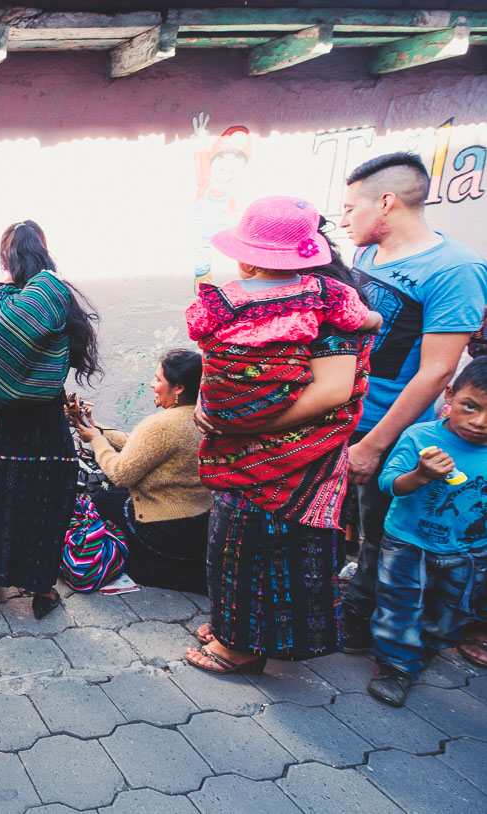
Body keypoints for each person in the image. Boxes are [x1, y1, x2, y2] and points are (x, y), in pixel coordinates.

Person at [186, 202, 373, 675]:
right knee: (233, 543)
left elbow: (332, 390)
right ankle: (234, 627)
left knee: (264, 548)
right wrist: (215, 406)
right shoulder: (281, 300)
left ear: (250, 259)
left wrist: (238, 422)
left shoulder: (329, 306)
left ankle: (244, 647)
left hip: (295, 459)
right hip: (249, 449)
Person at [338, 153, 487, 653]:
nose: (342, 220)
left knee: (383, 533)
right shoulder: (369, 255)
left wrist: (376, 444)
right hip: (344, 414)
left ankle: (366, 631)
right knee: (352, 525)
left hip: (389, 429)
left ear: (386, 202)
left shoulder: (456, 269)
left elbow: (438, 370)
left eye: (350, 208)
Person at [0, 220, 102, 618]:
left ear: (4, 259)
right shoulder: (57, 302)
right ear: (43, 253)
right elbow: (66, 363)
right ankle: (41, 589)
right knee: (41, 505)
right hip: (40, 428)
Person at [187, 196, 381, 434]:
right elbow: (361, 318)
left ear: (247, 263)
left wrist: (234, 426)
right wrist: (376, 320)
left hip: (270, 437)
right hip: (252, 427)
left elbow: (332, 392)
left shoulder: (224, 299)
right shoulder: (326, 297)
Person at [364, 358, 487, 704]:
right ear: (450, 394)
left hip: (468, 550)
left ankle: (427, 647)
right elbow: (389, 483)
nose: (479, 423)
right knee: (398, 605)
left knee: (454, 609)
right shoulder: (422, 436)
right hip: (408, 542)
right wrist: (420, 475)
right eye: (470, 407)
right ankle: (396, 665)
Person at [74, 349, 213, 594]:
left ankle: (142, 564)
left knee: (101, 502)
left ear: (178, 388)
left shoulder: (161, 425)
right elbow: (140, 446)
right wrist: (96, 429)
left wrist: (97, 441)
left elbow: (119, 473)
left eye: (158, 380)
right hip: (200, 524)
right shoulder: (202, 418)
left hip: (165, 527)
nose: (152, 384)